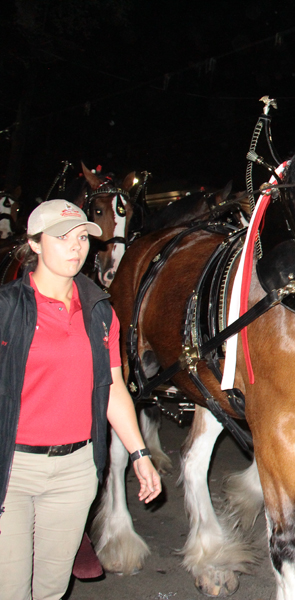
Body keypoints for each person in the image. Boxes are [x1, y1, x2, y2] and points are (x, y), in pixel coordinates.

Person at [0, 200, 162, 600]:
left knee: (52, 589)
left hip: (75, 472)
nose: (76, 247)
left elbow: (113, 388)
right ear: (34, 243)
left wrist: (140, 453)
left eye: (82, 238)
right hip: (13, 470)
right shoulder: (6, 308)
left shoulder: (99, 312)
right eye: (62, 238)